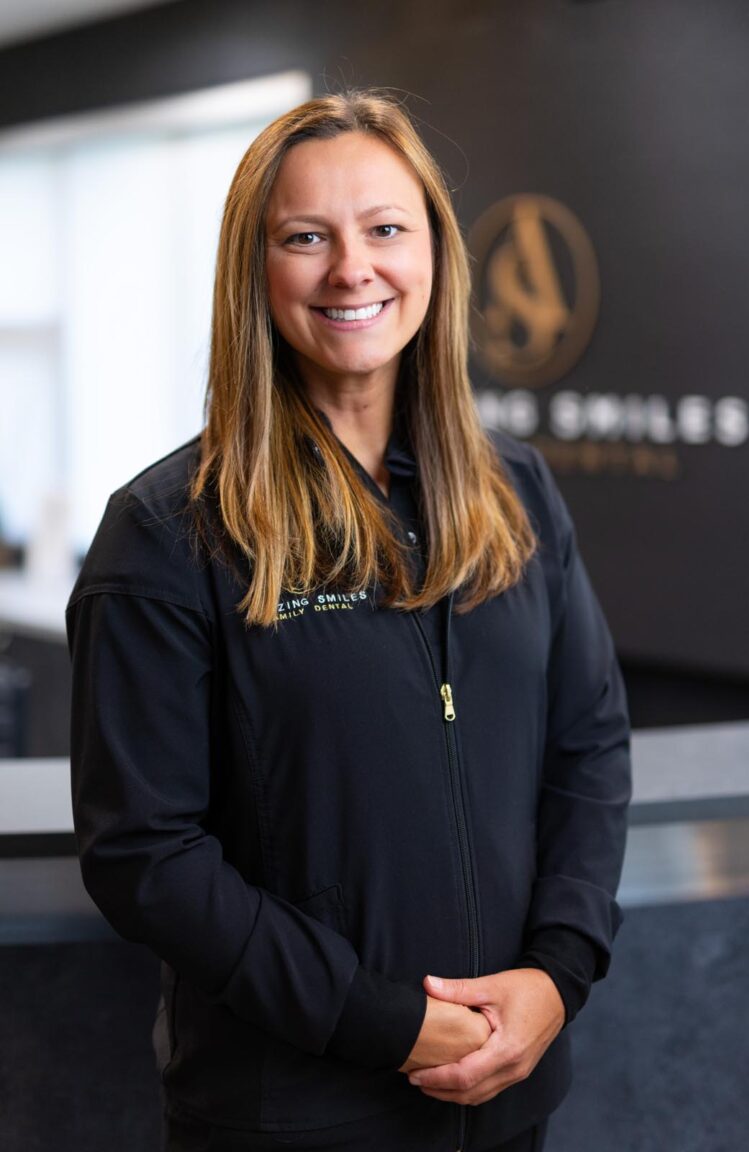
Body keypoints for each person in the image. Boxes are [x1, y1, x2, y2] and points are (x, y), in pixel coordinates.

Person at [67, 90, 631, 1152]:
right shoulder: (167, 532)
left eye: (384, 229)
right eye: (305, 238)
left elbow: (588, 746)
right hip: (297, 1115)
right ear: (256, 271)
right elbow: (147, 853)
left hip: (510, 1100)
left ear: (434, 255)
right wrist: (388, 1024)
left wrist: (558, 973)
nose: (351, 268)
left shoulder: (516, 495)